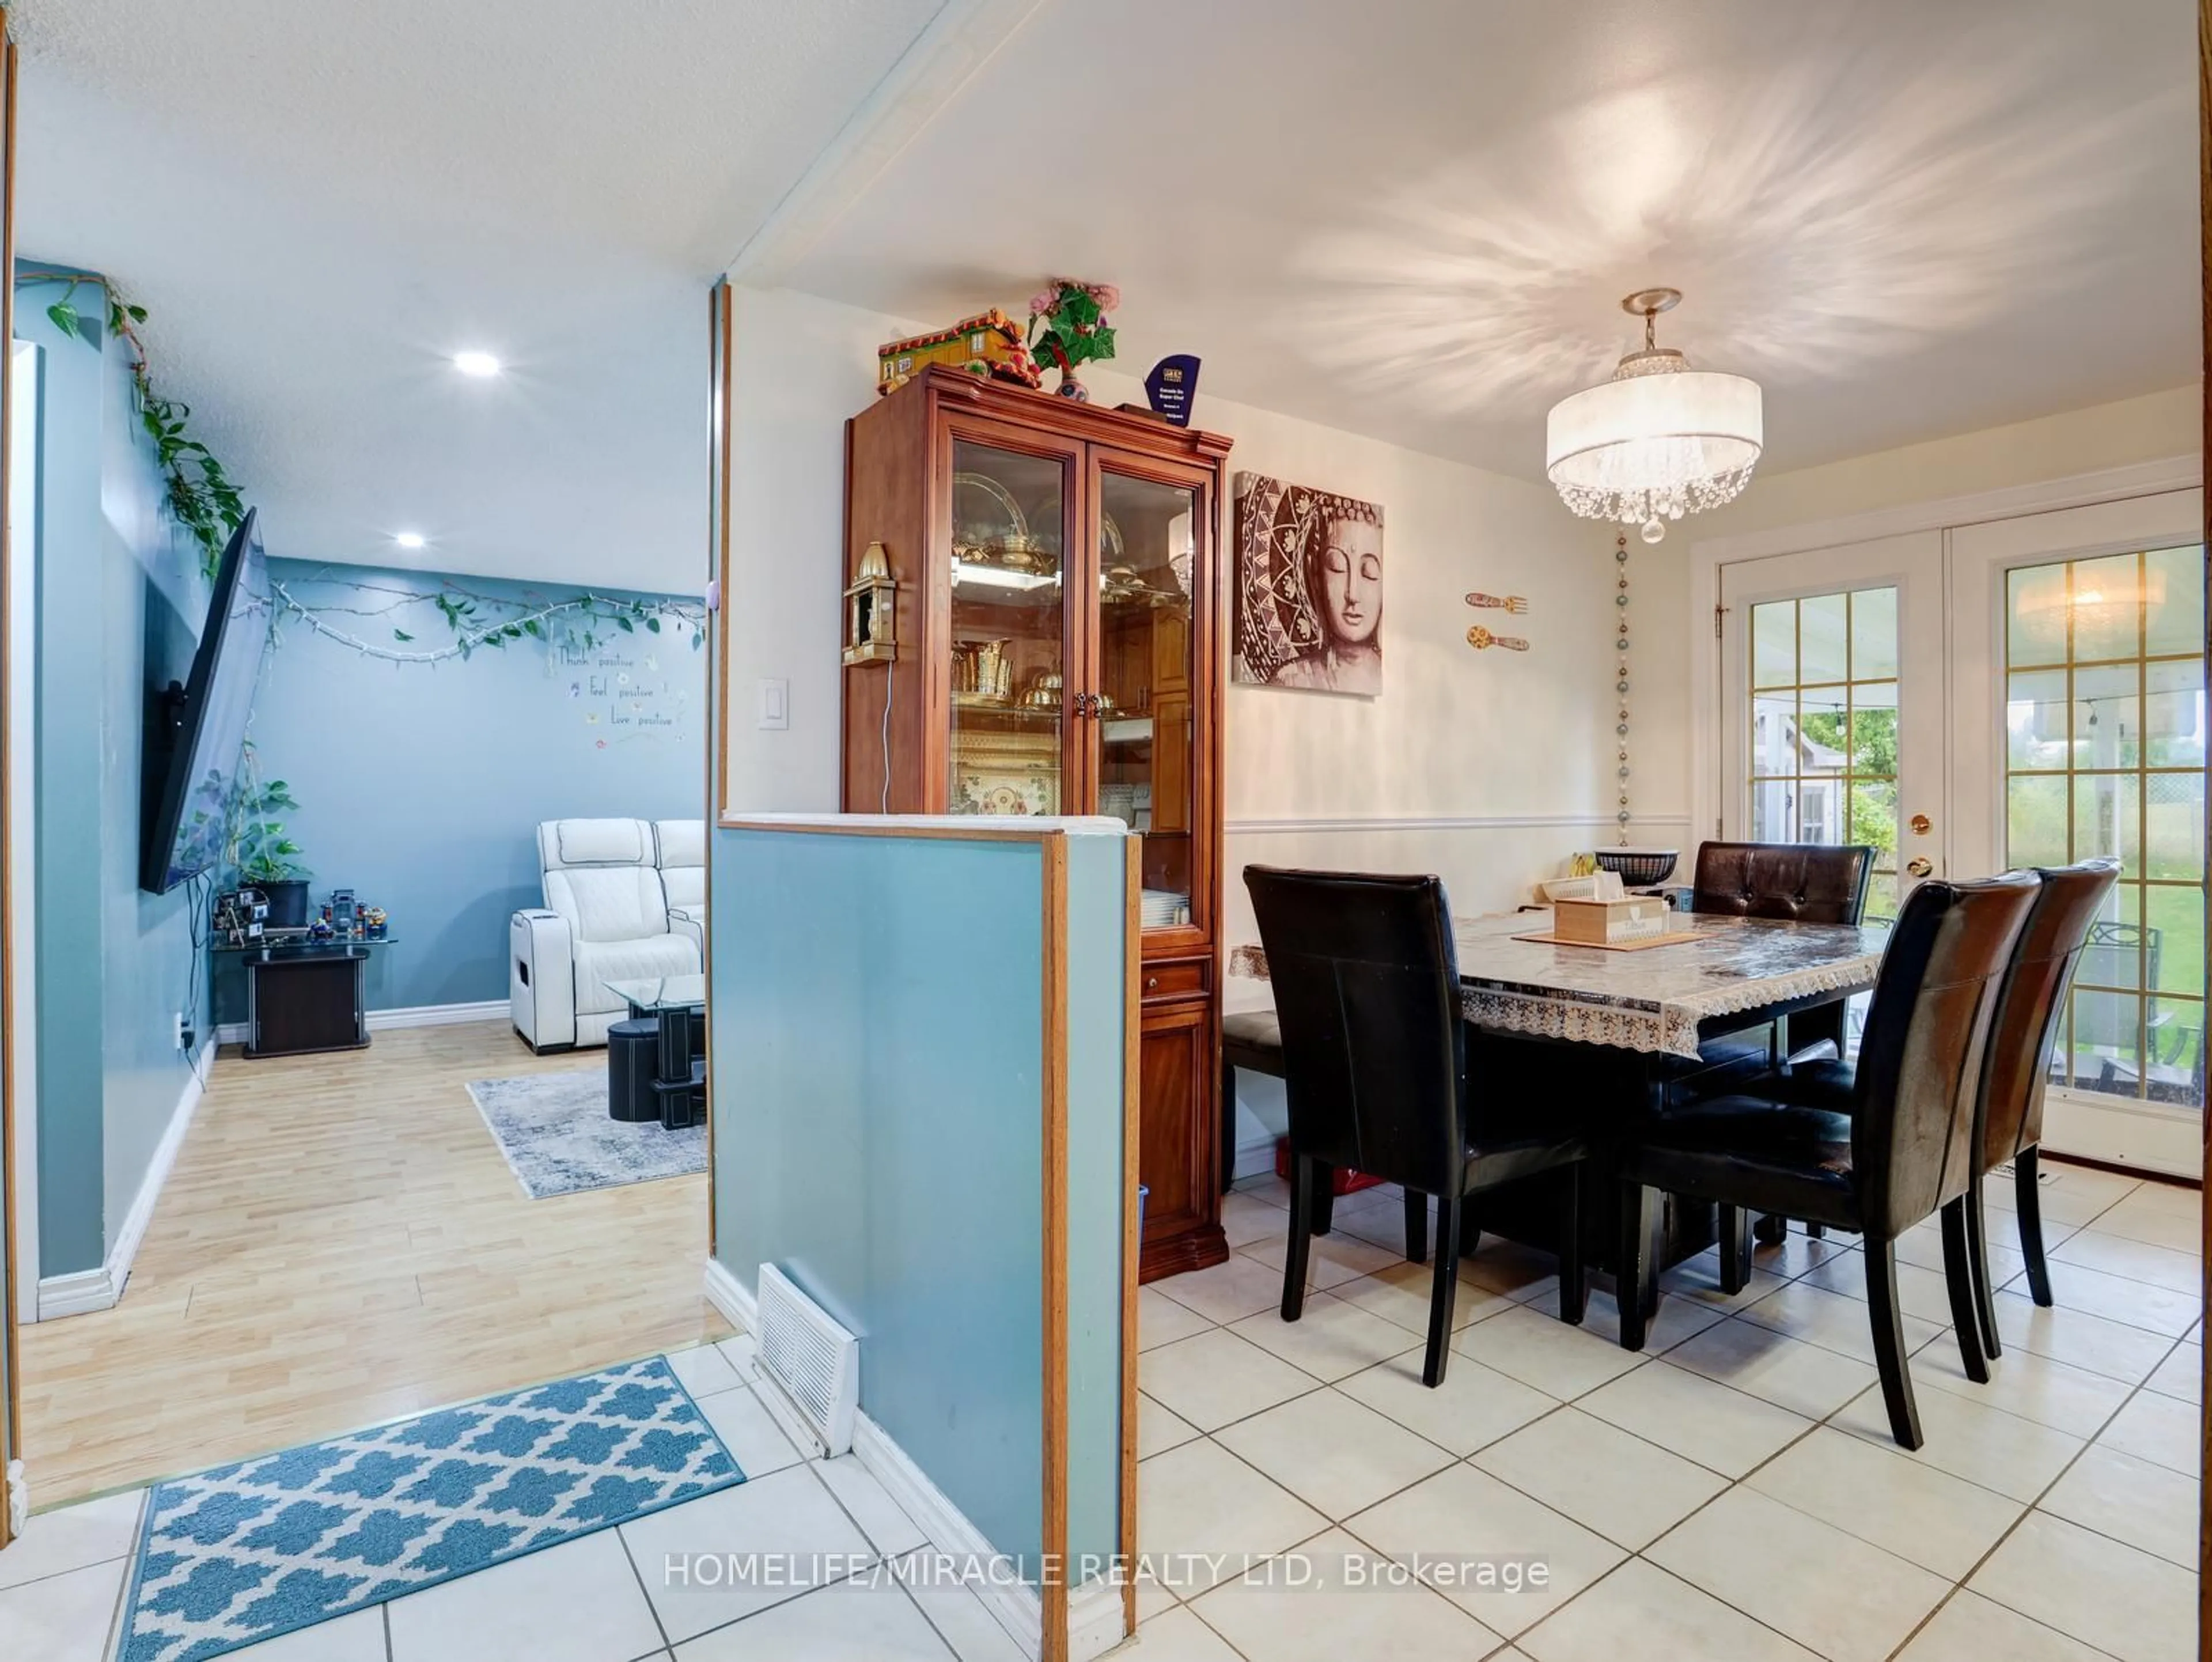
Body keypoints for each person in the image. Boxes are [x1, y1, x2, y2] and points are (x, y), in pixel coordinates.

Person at [1272, 499, 1382, 693]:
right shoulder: (1289, 679)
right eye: (1337, 568)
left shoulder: (1402, 683)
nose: (1353, 594)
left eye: (1369, 573)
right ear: (1315, 575)